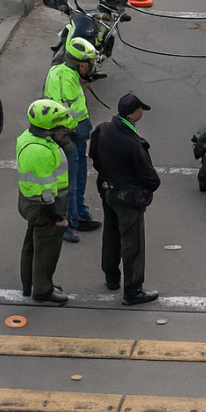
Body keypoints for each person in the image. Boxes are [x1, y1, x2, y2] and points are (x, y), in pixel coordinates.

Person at [89, 94, 160, 305]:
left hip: (107, 189)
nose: (142, 112)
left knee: (110, 233)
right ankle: (133, 290)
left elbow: (94, 156)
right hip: (128, 197)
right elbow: (150, 178)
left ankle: (111, 277)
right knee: (132, 243)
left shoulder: (102, 129)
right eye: (141, 109)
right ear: (133, 113)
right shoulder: (133, 142)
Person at [16, 99, 72, 305]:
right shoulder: (40, 152)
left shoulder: (28, 137)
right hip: (43, 205)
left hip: (30, 201)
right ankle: (42, 290)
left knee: (32, 243)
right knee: (46, 249)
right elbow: (47, 192)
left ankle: (30, 284)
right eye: (59, 127)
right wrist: (57, 217)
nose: (63, 130)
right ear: (48, 129)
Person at [44, 37, 100, 243]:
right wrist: (80, 128)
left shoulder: (64, 72)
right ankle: (65, 222)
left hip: (76, 134)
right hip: (68, 135)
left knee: (79, 177)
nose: (91, 68)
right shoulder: (65, 79)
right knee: (68, 182)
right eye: (90, 64)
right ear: (81, 64)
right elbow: (65, 115)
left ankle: (79, 214)